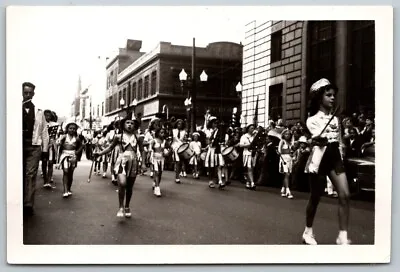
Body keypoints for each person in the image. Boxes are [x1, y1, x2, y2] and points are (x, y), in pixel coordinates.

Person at [302, 78, 351, 245]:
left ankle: (342, 236)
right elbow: (318, 139)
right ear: (319, 98)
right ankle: (308, 231)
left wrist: (342, 147)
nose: (332, 98)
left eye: (333, 95)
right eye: (328, 95)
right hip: (319, 159)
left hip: (334, 158)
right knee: (315, 197)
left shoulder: (336, 120)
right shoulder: (312, 120)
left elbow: (338, 140)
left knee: (344, 195)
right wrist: (317, 139)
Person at [94, 113, 142, 217]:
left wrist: (142, 164)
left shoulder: (138, 137)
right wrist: (99, 153)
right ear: (123, 125)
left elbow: (141, 150)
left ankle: (127, 206)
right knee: (123, 183)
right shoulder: (118, 137)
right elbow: (110, 147)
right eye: (127, 123)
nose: (129, 125)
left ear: (135, 126)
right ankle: (120, 206)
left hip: (133, 161)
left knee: (129, 187)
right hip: (121, 161)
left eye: (132, 123)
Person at [22, 82, 49, 216]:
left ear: (33, 94)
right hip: (18, 146)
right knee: (19, 174)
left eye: (30, 93)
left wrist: (45, 150)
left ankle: (28, 204)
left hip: (33, 146)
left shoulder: (39, 111)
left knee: (30, 174)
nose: (28, 95)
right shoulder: (14, 108)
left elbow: (44, 131)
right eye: (25, 92)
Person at [56, 121, 84, 198]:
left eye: (74, 129)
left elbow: (81, 146)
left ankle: (68, 188)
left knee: (70, 173)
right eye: (70, 128)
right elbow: (59, 144)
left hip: (73, 156)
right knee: (65, 171)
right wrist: (59, 142)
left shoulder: (77, 138)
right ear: (67, 129)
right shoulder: (64, 137)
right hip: (65, 155)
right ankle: (65, 190)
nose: (72, 130)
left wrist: (77, 152)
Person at [204, 116, 226, 189]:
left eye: (216, 123)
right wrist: (212, 136)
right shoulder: (208, 131)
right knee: (211, 167)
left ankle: (220, 181)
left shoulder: (219, 131)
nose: (215, 125)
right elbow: (208, 141)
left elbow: (221, 140)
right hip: (211, 150)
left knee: (219, 165)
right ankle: (210, 181)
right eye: (214, 123)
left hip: (217, 149)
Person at [149, 127, 170, 197]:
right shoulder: (154, 141)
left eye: (163, 133)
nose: (162, 134)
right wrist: (150, 154)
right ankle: (157, 188)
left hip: (162, 158)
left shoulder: (165, 141)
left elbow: (170, 148)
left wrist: (167, 152)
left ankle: (155, 183)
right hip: (155, 158)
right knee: (157, 172)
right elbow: (150, 149)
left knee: (160, 173)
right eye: (161, 132)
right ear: (157, 133)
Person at [42, 110, 59, 188]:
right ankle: (45, 180)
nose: (47, 117)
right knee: (44, 162)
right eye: (45, 115)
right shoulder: (41, 124)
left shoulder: (54, 125)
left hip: (51, 145)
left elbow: (53, 136)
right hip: (42, 145)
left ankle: (48, 180)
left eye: (48, 115)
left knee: (50, 162)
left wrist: (50, 144)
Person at [239, 124, 257, 190]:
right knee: (249, 168)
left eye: (253, 128)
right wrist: (248, 145)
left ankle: (248, 182)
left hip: (253, 153)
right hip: (247, 153)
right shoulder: (244, 136)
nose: (253, 129)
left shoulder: (255, 136)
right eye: (251, 128)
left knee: (252, 168)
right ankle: (252, 183)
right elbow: (241, 145)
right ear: (248, 129)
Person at [278, 129, 294, 198]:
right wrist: (284, 151)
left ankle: (283, 189)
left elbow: (292, 151)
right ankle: (288, 191)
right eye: (286, 134)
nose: (287, 135)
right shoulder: (282, 141)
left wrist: (292, 153)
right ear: (283, 135)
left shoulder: (290, 142)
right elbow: (279, 150)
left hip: (289, 159)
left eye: (289, 134)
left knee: (287, 174)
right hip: (283, 159)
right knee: (286, 173)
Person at [171, 119, 187, 183]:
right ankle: (177, 177)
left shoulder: (184, 131)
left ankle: (179, 173)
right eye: (178, 123)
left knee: (180, 162)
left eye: (181, 124)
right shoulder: (174, 131)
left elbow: (183, 139)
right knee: (177, 161)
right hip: (175, 146)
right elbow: (174, 138)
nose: (179, 125)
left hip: (181, 147)